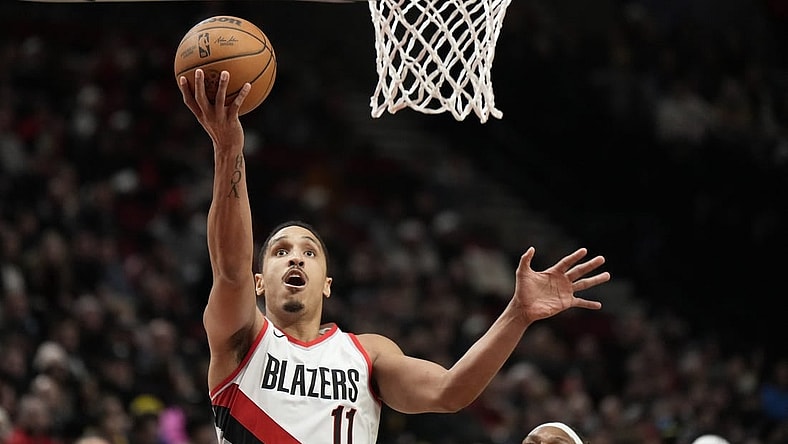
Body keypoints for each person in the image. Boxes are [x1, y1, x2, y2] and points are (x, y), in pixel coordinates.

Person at [177, 68, 611, 443]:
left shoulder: (368, 354)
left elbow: (448, 392)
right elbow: (230, 270)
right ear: (259, 281)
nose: (295, 258)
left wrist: (518, 313)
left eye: (309, 252)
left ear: (327, 283)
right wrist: (229, 148)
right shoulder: (242, 341)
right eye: (280, 251)